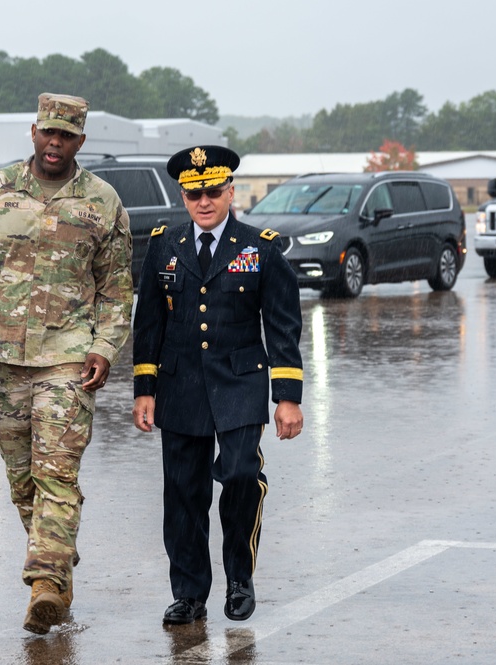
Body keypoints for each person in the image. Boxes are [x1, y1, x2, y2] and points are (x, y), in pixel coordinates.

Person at [0, 92, 134, 634]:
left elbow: (117, 290)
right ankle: (59, 566)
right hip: (2, 363)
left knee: (56, 474)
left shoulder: (104, 203)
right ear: (34, 133)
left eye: (66, 135)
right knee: (23, 483)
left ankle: (44, 582)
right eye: (48, 132)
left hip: (67, 363)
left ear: (80, 142)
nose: (54, 142)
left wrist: (104, 347)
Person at [131, 145, 304, 625]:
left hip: (240, 386)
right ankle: (189, 594)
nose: (203, 201)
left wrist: (287, 398)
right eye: (193, 194)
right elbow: (148, 324)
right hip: (180, 386)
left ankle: (240, 578)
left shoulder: (261, 247)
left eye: (212, 191)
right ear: (183, 197)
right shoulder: (164, 246)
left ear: (231, 191)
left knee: (242, 476)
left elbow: (284, 327)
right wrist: (144, 388)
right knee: (183, 493)